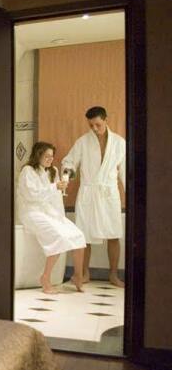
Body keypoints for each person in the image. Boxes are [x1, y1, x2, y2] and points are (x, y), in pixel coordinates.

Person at [61, 106, 126, 287]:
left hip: (108, 193)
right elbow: (69, 162)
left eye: (98, 124)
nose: (94, 129)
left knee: (114, 234)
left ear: (106, 120)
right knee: (84, 235)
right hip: (88, 193)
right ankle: (84, 273)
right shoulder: (83, 142)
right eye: (91, 125)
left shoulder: (119, 143)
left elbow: (126, 172)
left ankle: (113, 275)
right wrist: (67, 175)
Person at [18, 142, 86, 294]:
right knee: (58, 237)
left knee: (79, 236)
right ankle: (45, 278)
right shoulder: (28, 171)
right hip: (32, 212)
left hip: (50, 212)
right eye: (46, 156)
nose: (50, 159)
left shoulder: (53, 171)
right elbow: (31, 195)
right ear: (38, 155)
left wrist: (61, 218)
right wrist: (55, 187)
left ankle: (78, 276)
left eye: (52, 156)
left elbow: (56, 199)